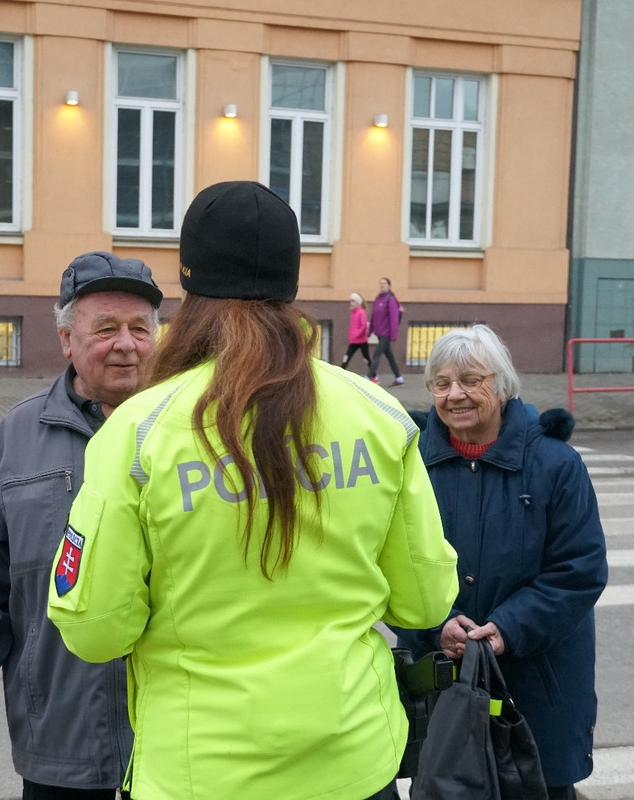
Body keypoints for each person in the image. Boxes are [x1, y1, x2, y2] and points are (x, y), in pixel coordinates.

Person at [47, 181, 459, 800]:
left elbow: (95, 629)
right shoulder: (381, 414)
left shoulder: (136, 432)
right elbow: (425, 602)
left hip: (199, 772)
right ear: (291, 285)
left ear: (191, 290)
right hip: (353, 763)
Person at [0, 251, 163, 800]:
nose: (126, 344)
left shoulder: (192, 428)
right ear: (66, 339)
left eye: (139, 328)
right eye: (105, 328)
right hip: (59, 733)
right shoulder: (17, 437)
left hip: (175, 734)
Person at [394, 325, 609, 800]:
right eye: (441, 383)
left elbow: (579, 569)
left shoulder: (555, 464)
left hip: (537, 678)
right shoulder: (412, 465)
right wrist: (437, 623)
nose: (455, 395)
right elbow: (391, 562)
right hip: (443, 680)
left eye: (472, 380)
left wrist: (508, 628)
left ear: (502, 383)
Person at [367, 276, 405, 386]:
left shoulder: (390, 299)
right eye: (381, 283)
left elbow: (394, 318)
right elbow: (373, 316)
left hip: (386, 334)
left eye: (384, 283)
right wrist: (370, 331)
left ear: (389, 285)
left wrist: (393, 335)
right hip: (379, 333)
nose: (382, 285)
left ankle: (369, 377)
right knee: (390, 356)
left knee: (376, 355)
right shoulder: (378, 299)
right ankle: (399, 378)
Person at [340, 291, 371, 372]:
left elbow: (363, 326)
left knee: (366, 358)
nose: (351, 303)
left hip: (361, 340)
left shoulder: (361, 312)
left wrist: (357, 334)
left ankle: (373, 375)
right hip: (354, 340)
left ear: (358, 302)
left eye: (353, 301)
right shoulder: (353, 313)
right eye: (350, 301)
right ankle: (341, 371)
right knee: (347, 356)